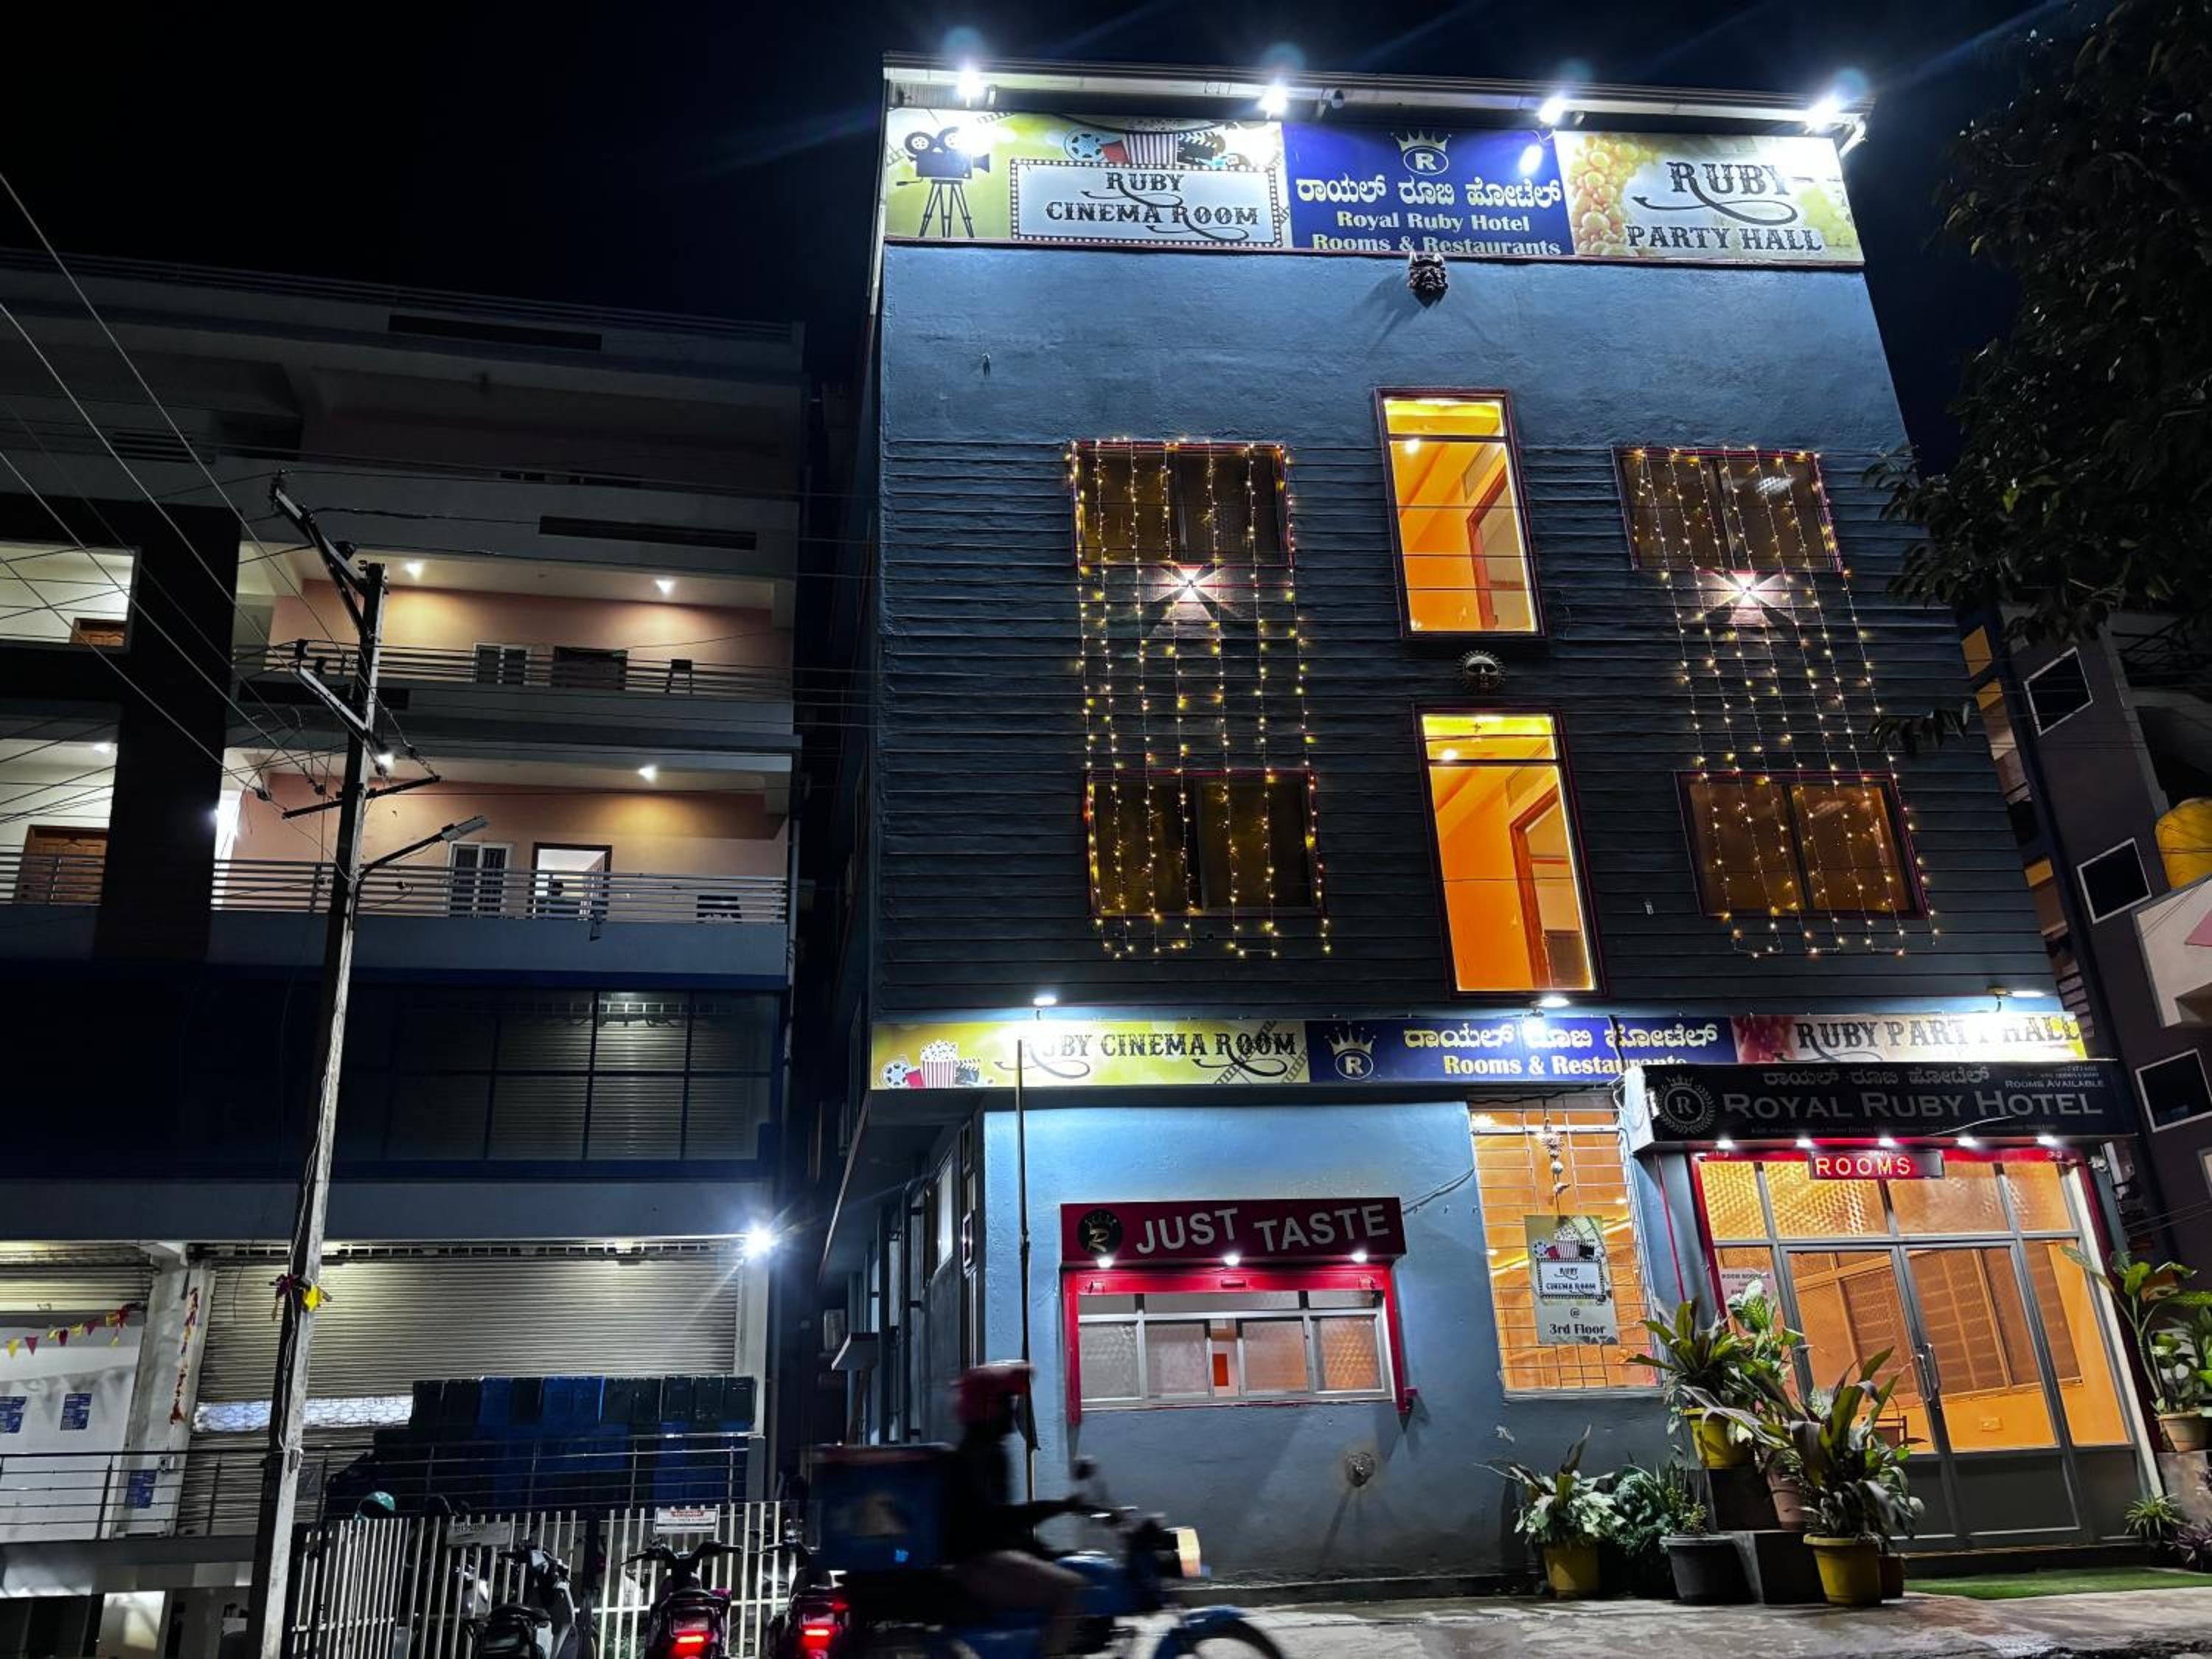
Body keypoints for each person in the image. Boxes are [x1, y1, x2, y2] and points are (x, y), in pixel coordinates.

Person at [943, 1362, 1087, 1656]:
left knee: (1067, 1567)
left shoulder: (983, 1450)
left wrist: (1047, 1549)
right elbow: (998, 1521)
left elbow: (1004, 1524)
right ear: (986, 1406)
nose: (1011, 1411)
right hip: (980, 1563)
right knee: (1071, 1588)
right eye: (1005, 1402)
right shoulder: (978, 1454)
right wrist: (1060, 1508)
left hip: (986, 1558)